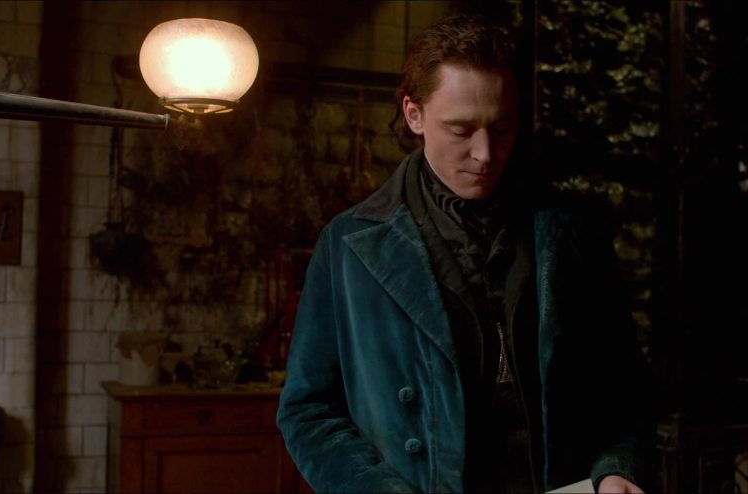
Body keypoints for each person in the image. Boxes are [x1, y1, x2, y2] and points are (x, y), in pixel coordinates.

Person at [277, 12, 656, 494]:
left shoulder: (573, 234)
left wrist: (619, 467)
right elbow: (308, 411)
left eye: (502, 128)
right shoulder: (348, 245)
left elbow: (627, 391)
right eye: (461, 130)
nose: (485, 153)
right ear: (414, 115)